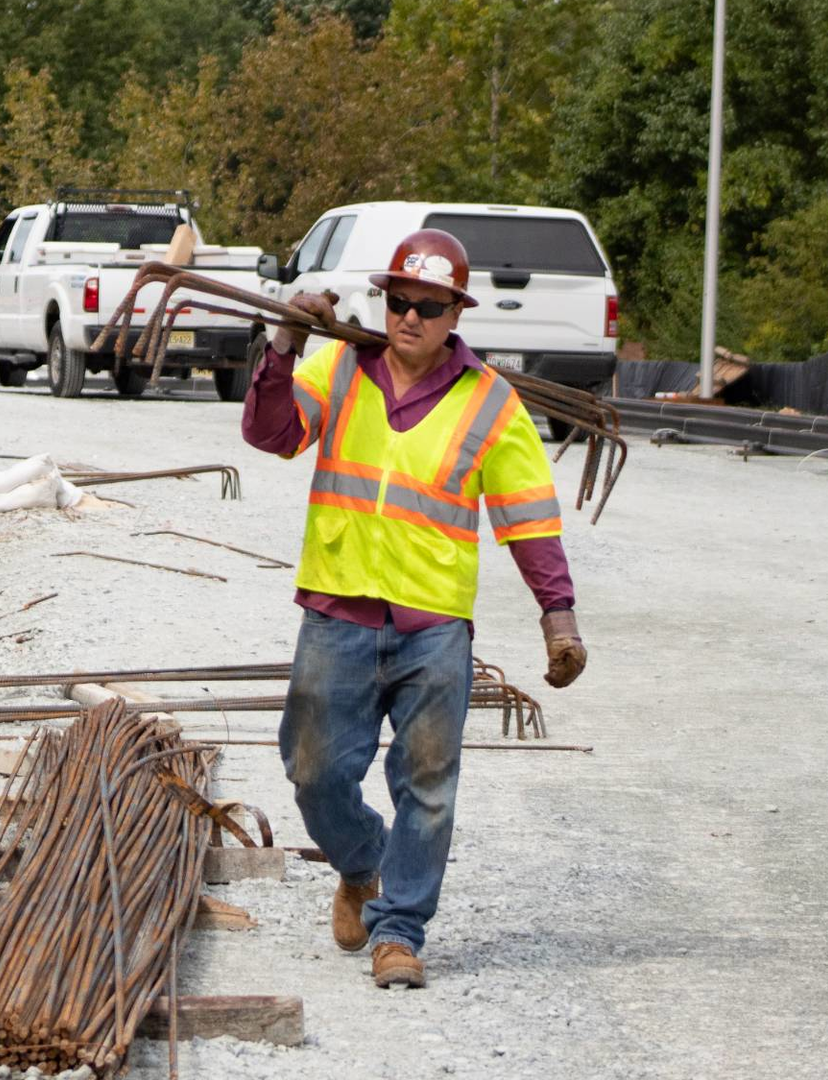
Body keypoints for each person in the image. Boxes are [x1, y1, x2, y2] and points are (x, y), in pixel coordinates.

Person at [242, 228, 588, 990]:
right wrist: (285, 341)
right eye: (399, 302)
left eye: (428, 307)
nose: (409, 318)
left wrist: (556, 614)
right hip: (339, 612)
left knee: (427, 785)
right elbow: (270, 433)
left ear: (454, 313)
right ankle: (363, 863)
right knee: (312, 772)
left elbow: (527, 516)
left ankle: (399, 931)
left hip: (433, 625)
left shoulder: (491, 402)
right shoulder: (338, 365)